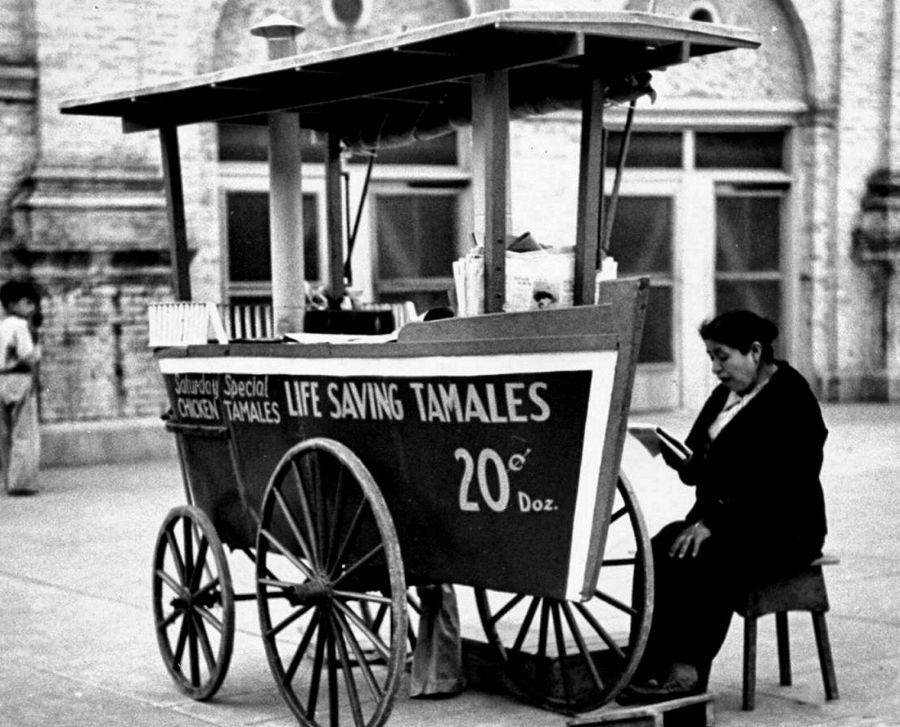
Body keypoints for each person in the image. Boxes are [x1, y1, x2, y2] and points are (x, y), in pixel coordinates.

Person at [621, 309, 828, 704]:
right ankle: (647, 663)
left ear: (755, 351)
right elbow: (698, 464)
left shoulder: (792, 398)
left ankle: (687, 671)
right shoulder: (725, 394)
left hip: (783, 526)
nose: (716, 368)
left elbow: (785, 482)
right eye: (711, 358)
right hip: (725, 520)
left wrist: (715, 522)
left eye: (722, 357)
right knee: (659, 548)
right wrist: (679, 458)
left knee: (707, 555)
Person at [0, 280, 42, 495]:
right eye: (28, 303)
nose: (32, 308)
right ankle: (21, 483)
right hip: (19, 378)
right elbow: (26, 354)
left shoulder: (2, 325)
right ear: (14, 304)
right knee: (24, 432)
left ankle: (8, 480)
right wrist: (36, 356)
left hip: (1, 379)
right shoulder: (20, 325)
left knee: (4, 434)